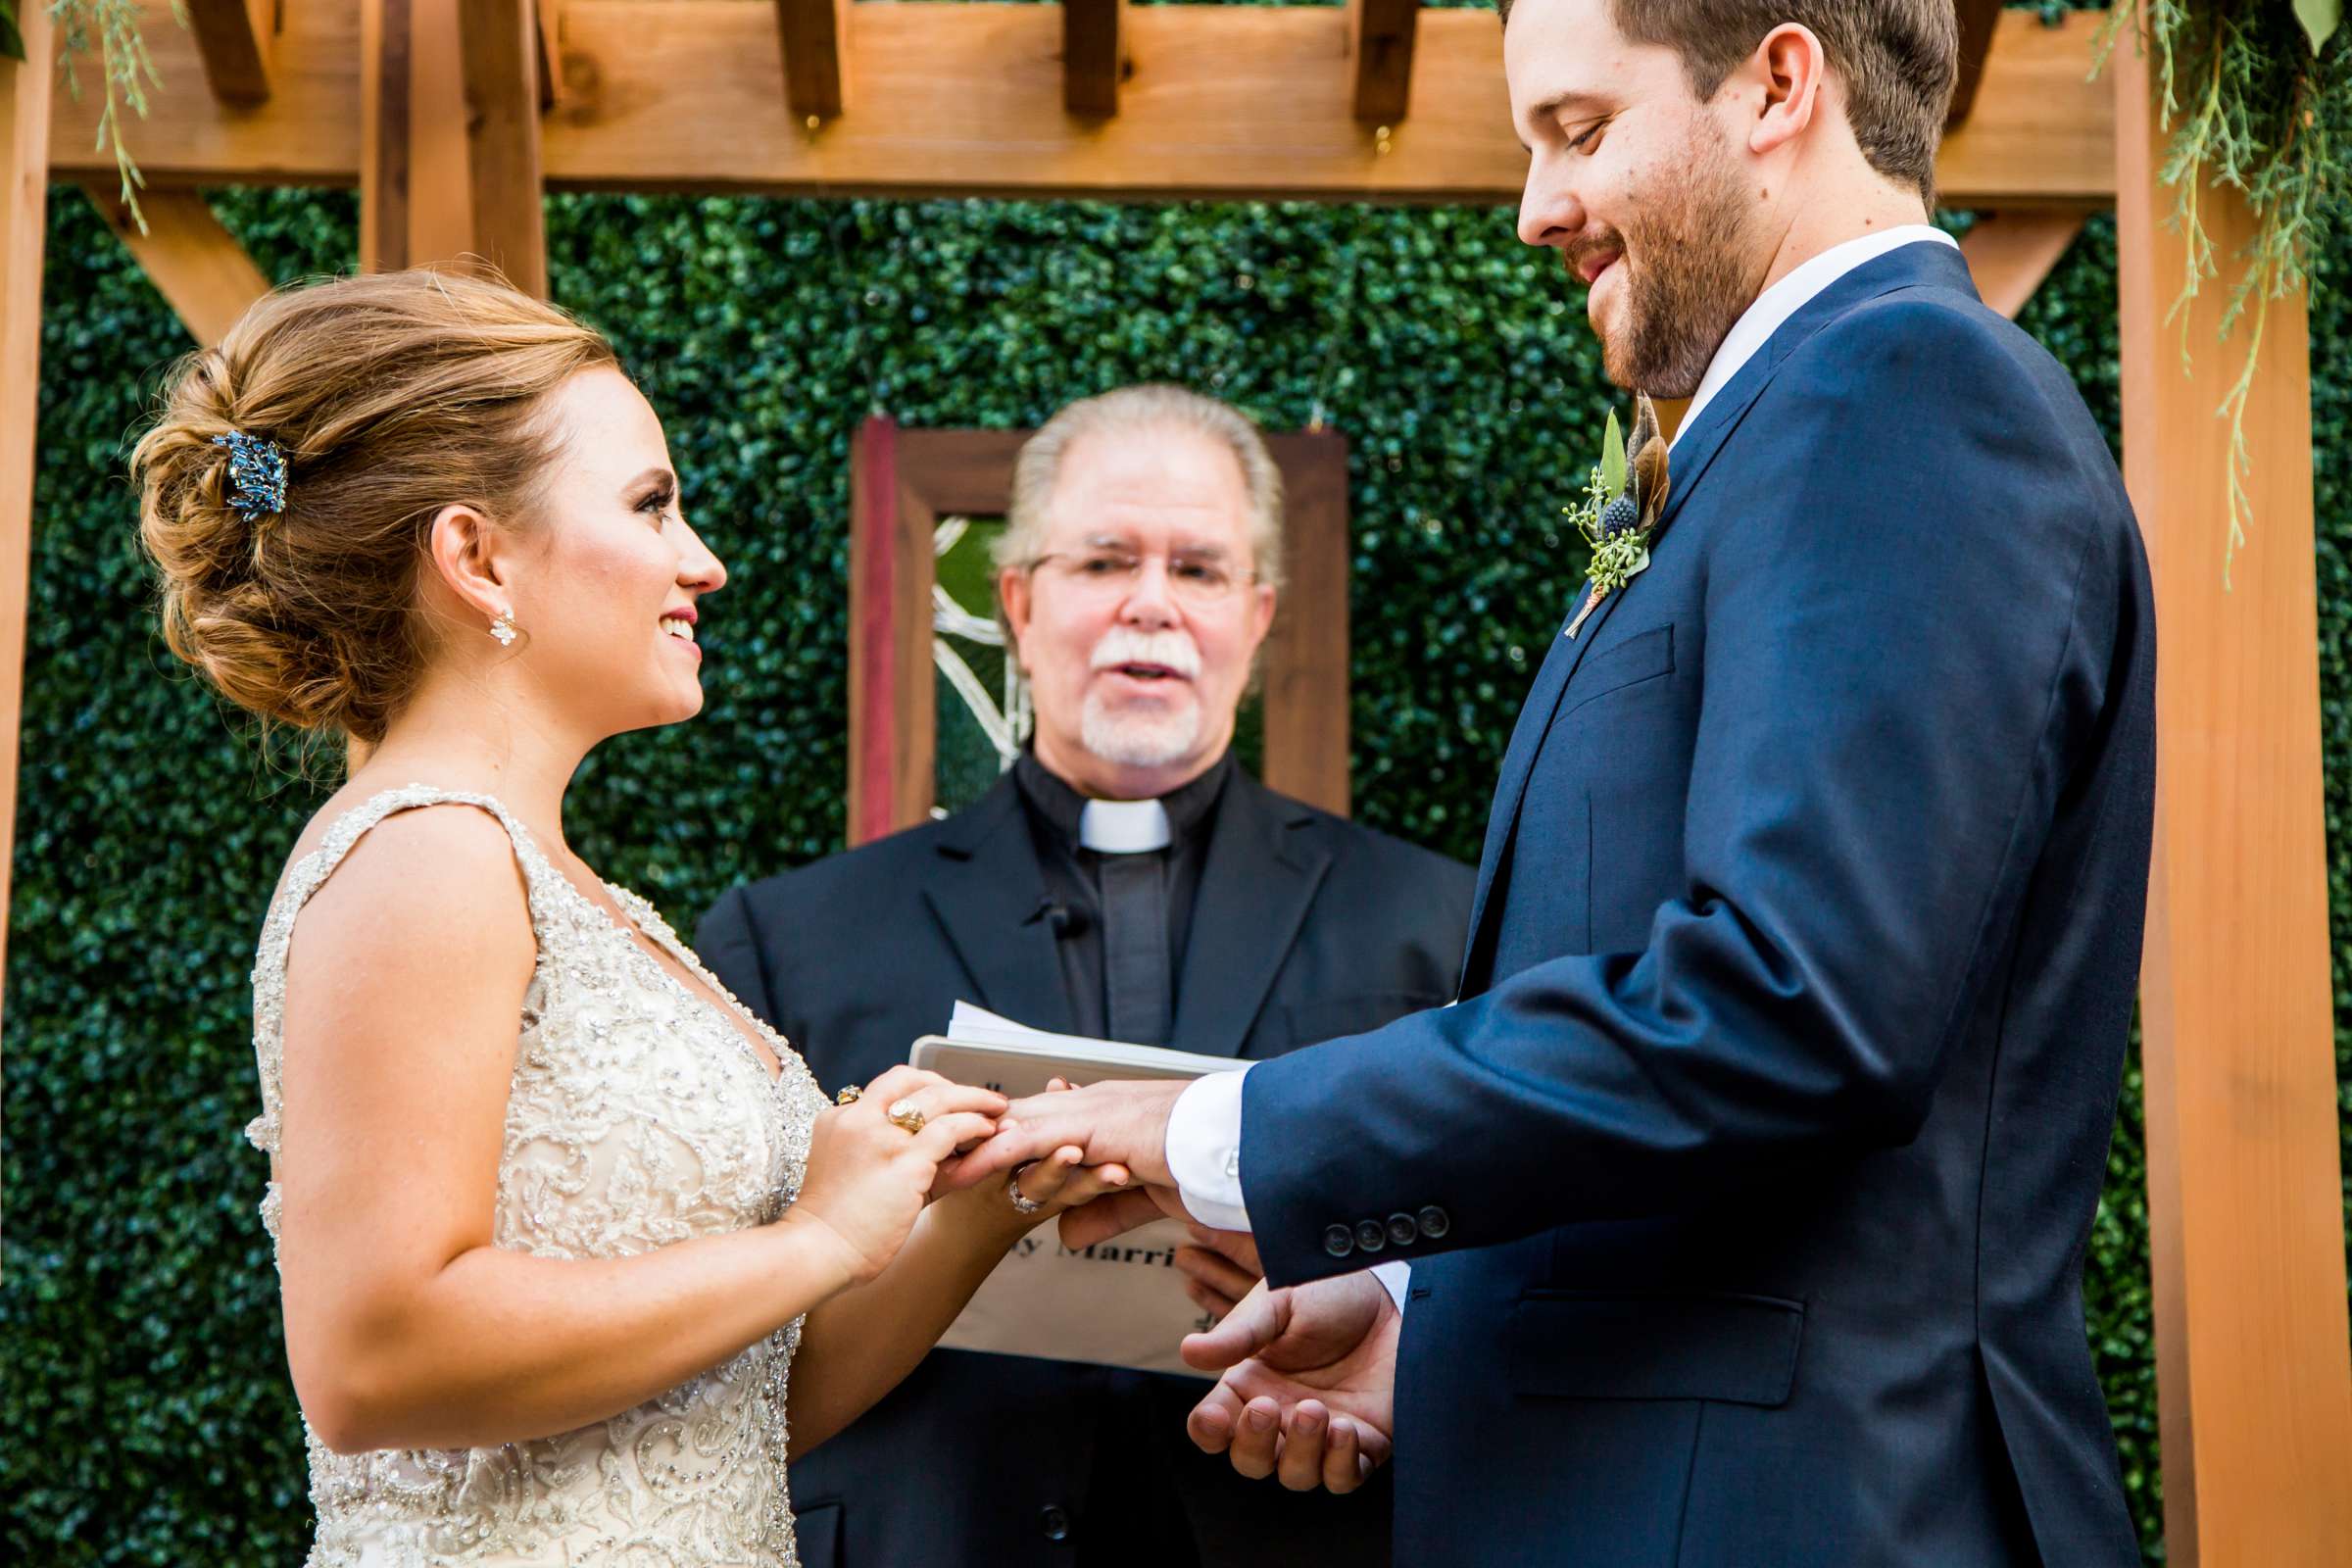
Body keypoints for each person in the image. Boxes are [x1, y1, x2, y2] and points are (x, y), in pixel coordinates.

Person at [963, 3, 2156, 1563]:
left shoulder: (1904, 392)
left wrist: (1219, 1132)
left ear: (1777, 87)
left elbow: (1798, 1005)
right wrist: (1432, 1332)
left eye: (1580, 131)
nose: (1534, 207)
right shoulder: (1777, 432)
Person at [132, 269, 1131, 1567]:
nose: (700, 561)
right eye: (651, 505)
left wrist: (965, 1219)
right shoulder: (424, 855)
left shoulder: (571, 891)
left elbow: (724, 1420)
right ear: (475, 556)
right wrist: (823, 1231)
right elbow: (376, 1359)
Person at [697, 384, 1473, 1566]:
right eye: (1105, 560)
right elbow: (723, 1313)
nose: (1150, 606)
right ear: (1017, 601)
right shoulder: (788, 935)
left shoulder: (1435, 922)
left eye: (1201, 571)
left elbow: (1517, 1250)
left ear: (1258, 615)